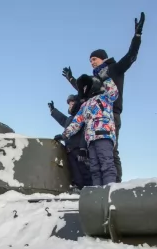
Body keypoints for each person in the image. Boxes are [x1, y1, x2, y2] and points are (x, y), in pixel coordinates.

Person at [61, 11, 145, 183]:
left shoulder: (113, 69)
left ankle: (115, 185)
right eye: (90, 60)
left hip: (111, 112)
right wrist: (71, 78)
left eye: (94, 59)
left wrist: (136, 36)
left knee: (111, 152)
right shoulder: (95, 80)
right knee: (94, 155)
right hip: (93, 116)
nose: (92, 62)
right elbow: (82, 88)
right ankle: (97, 186)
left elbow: (130, 57)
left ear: (103, 58)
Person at [61, 66, 118, 186]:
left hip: (104, 136)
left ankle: (109, 192)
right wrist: (65, 134)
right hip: (90, 140)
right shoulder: (84, 105)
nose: (86, 89)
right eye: (84, 87)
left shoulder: (104, 98)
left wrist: (106, 78)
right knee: (94, 169)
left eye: (87, 86)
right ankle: (96, 196)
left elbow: (114, 93)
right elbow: (76, 122)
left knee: (106, 164)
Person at [49, 95, 92, 189]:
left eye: (72, 103)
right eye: (69, 104)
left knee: (85, 172)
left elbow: (86, 132)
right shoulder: (70, 118)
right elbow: (63, 120)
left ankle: (90, 191)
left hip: (80, 149)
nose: (70, 105)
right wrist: (53, 110)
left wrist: (83, 148)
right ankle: (80, 190)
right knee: (76, 174)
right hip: (70, 150)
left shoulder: (81, 116)